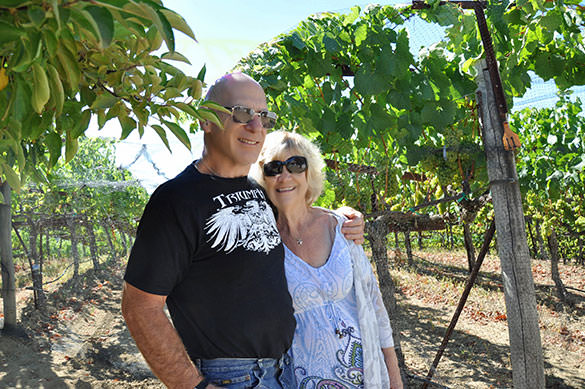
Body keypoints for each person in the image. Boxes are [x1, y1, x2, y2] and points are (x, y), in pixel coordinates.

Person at [121, 73, 365, 389]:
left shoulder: (258, 191)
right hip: (231, 378)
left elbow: (300, 217)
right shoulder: (176, 200)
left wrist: (344, 217)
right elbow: (139, 306)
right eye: (241, 113)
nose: (256, 127)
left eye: (263, 117)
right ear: (206, 120)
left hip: (285, 369)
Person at [250, 130, 404, 389]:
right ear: (262, 177)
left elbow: (375, 306)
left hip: (367, 378)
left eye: (296, 165)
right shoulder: (263, 244)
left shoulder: (342, 227)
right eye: (273, 168)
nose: (284, 176)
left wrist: (394, 379)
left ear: (309, 173)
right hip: (302, 381)